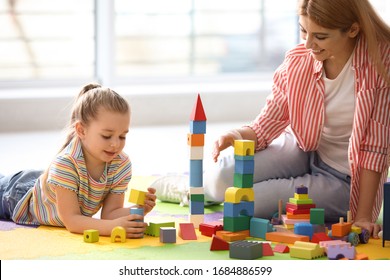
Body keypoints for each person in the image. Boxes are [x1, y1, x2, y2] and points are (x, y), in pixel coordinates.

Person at [152, 0, 389, 238]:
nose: (308, 44)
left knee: (250, 203)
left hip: (345, 179)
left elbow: (374, 148)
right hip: (303, 148)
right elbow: (271, 118)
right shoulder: (300, 60)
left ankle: (202, 192)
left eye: (320, 36)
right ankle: (194, 189)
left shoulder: (381, 64)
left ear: (352, 29)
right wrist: (236, 135)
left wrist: (363, 217)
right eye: (303, 30)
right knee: (224, 177)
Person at [0, 83, 156, 238]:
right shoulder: (65, 164)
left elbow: (110, 214)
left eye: (122, 136)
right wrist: (113, 227)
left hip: (51, 186)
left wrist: (138, 209)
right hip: (16, 195)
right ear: (81, 130)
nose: (116, 144)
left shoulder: (120, 164)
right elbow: (72, 221)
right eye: (106, 136)